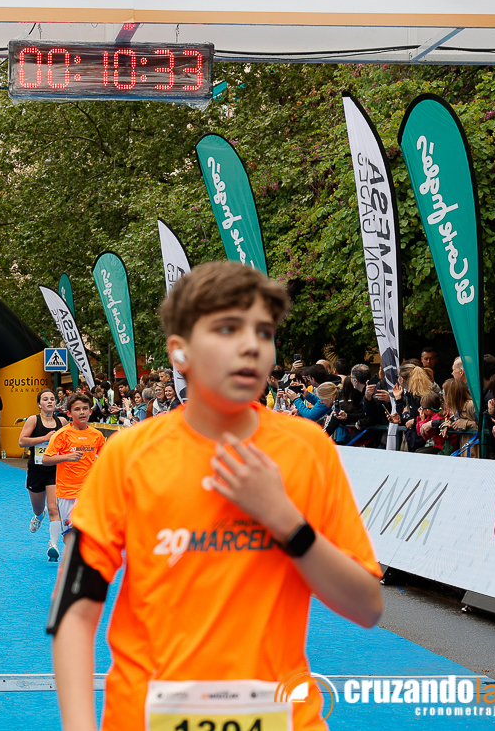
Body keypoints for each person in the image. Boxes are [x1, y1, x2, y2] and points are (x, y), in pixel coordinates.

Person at [49, 261, 382, 731]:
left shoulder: (307, 449)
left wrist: (285, 521)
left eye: (263, 332)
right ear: (179, 351)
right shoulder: (128, 455)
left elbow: (367, 607)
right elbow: (73, 612)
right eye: (227, 329)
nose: (250, 345)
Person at [41, 392, 106, 560]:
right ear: (69, 413)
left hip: (89, 491)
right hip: (67, 491)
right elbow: (46, 459)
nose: (82, 412)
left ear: (91, 411)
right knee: (69, 533)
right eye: (77, 409)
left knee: (86, 530)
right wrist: (67, 457)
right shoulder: (62, 435)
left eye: (85, 408)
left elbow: (105, 458)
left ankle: (82, 560)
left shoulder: (97, 435)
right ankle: (73, 559)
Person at [18, 390, 69, 560]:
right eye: (45, 399)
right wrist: (44, 438)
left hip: (54, 469)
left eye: (52, 399)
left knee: (54, 508)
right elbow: (22, 441)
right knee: (38, 508)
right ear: (39, 404)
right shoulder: (33, 420)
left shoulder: (62, 421)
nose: (49, 402)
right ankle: (39, 515)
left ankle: (53, 545)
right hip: (36, 470)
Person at [441, 378, 478, 457]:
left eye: (443, 393)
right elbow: (453, 419)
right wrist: (447, 425)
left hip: (474, 450)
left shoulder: (471, 405)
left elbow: (483, 426)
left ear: (451, 395)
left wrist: (464, 423)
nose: (442, 396)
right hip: (465, 447)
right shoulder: (457, 407)